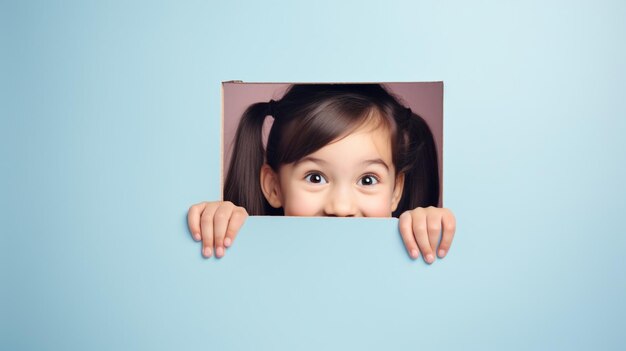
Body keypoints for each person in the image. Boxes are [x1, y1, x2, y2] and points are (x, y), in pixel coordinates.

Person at [188, 84, 456, 264]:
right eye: (315, 177)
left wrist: (430, 228)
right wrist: (220, 223)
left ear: (396, 191)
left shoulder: (406, 251)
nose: (341, 207)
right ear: (274, 187)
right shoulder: (258, 255)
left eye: (367, 180)